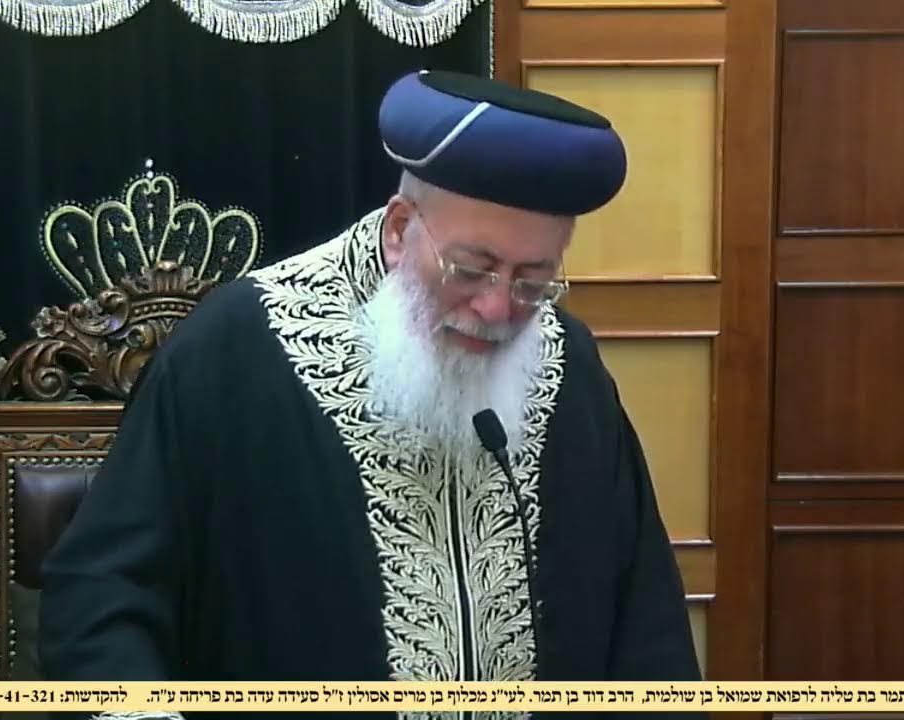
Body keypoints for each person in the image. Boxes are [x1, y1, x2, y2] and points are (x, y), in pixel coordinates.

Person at [39, 68, 702, 719]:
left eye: (533, 281)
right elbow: (100, 598)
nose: (499, 309)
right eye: (472, 270)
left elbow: (643, 618)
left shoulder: (566, 364)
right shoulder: (238, 349)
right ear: (398, 231)